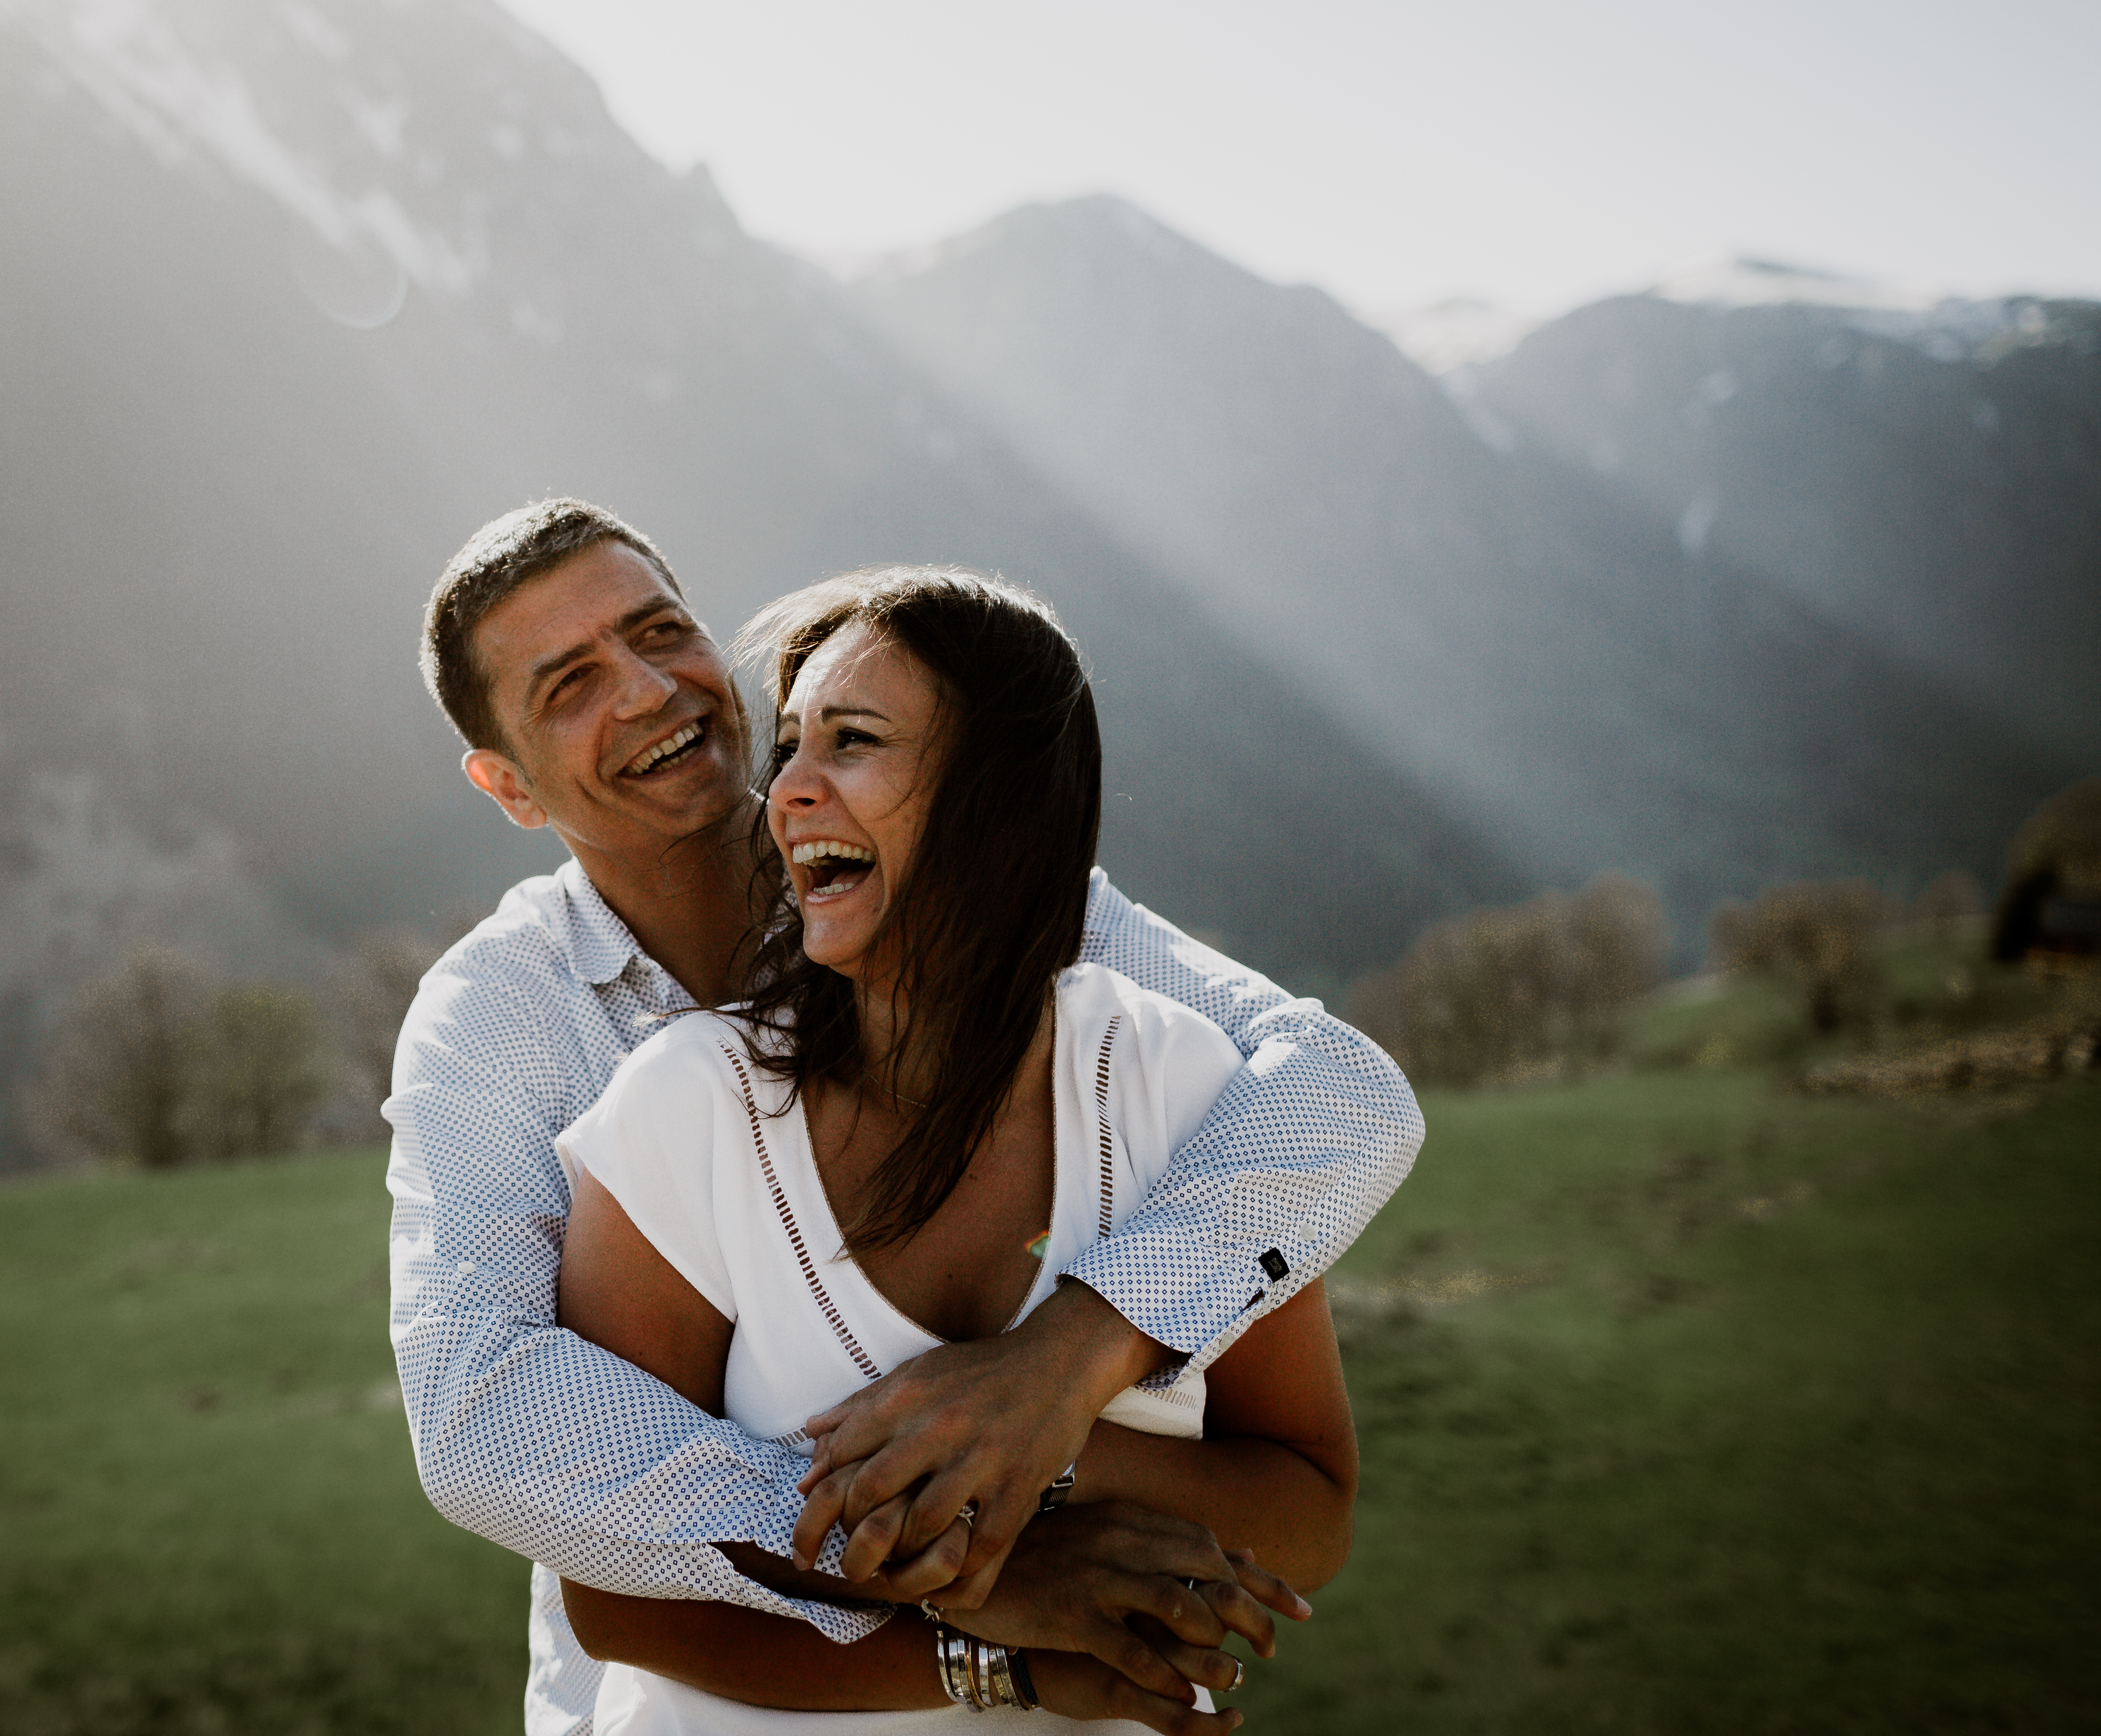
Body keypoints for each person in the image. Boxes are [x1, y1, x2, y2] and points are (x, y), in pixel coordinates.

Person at [387, 501, 1419, 1736]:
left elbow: (1339, 1090)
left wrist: (1063, 1367)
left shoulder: (1003, 905)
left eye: (662, 631)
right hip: (694, 1683)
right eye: (570, 685)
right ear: (507, 785)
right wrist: (937, 1550)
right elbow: (479, 1411)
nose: (652, 690)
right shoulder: (499, 1019)